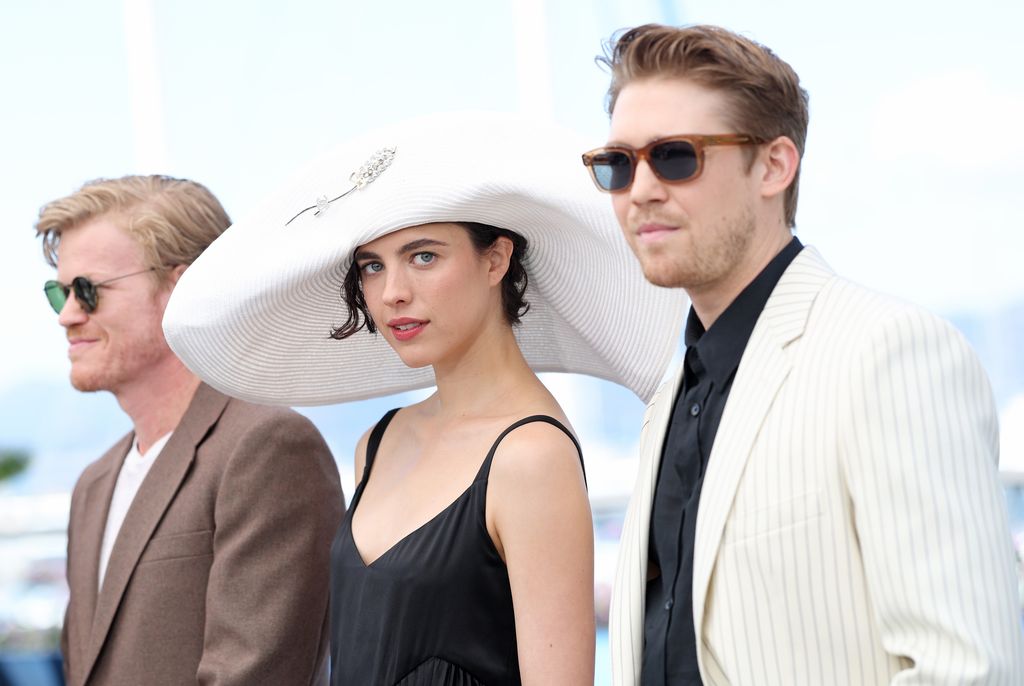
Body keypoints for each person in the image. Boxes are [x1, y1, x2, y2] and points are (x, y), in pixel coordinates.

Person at [161, 112, 687, 685]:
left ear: (496, 259)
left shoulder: (531, 457)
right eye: (372, 266)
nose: (393, 294)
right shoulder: (378, 443)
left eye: (424, 256)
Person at [581, 23, 1024, 686]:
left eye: (675, 157)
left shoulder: (889, 354)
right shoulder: (673, 392)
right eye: (617, 165)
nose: (640, 189)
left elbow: (966, 668)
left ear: (774, 165)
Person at [35, 175, 344, 686]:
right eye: (59, 292)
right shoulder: (94, 484)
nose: (67, 315)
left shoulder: (268, 446)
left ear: (181, 289)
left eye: (87, 291)